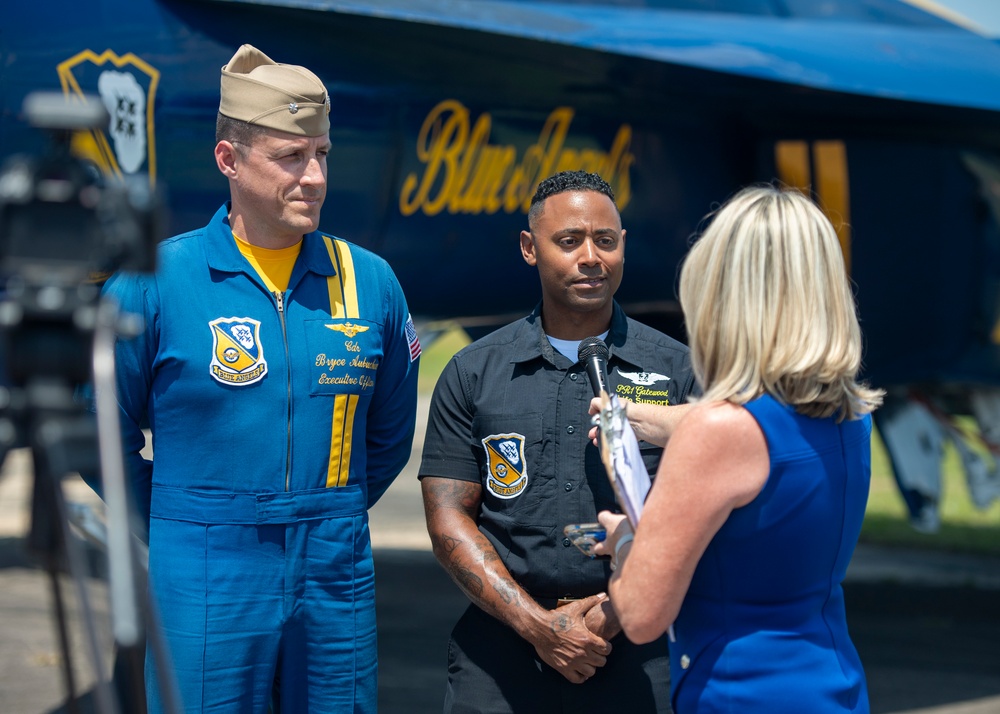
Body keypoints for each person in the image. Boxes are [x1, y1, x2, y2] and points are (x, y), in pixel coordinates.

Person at [100, 44, 420, 713]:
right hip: (204, 564)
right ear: (229, 159)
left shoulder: (370, 283)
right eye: (290, 156)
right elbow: (98, 429)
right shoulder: (154, 282)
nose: (315, 177)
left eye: (323, 153)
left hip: (334, 565)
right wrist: (180, 521)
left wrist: (327, 514)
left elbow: (389, 434)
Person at [593, 185, 884, 714]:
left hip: (740, 695)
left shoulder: (718, 434)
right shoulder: (849, 413)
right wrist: (639, 417)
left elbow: (640, 615)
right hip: (832, 687)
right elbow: (758, 435)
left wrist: (627, 539)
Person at [418, 170, 696, 713]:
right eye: (569, 241)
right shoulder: (474, 372)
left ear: (623, 246)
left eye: (605, 240)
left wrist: (612, 614)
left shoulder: (679, 371)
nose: (591, 257)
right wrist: (537, 626)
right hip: (503, 651)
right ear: (530, 248)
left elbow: (700, 516)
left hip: (641, 646)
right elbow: (448, 519)